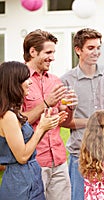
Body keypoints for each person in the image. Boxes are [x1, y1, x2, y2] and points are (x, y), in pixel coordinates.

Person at [60, 28, 104, 200]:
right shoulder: (66, 81)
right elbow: (64, 122)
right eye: (91, 48)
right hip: (81, 154)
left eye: (98, 48)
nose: (96, 52)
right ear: (78, 50)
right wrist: (94, 122)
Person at [22, 29, 77, 200]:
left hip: (59, 160)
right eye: (48, 52)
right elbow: (15, 121)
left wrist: (71, 107)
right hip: (34, 161)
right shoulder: (17, 80)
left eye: (53, 52)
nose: (52, 57)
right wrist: (46, 103)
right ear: (33, 52)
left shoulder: (55, 80)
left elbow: (66, 122)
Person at [0, 61, 60, 200]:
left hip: (30, 177)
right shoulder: (8, 116)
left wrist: (47, 126)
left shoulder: (15, 111)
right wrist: (41, 128)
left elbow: (27, 144)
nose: (30, 82)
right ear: (14, 83)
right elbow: (22, 157)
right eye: (25, 79)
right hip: (19, 183)